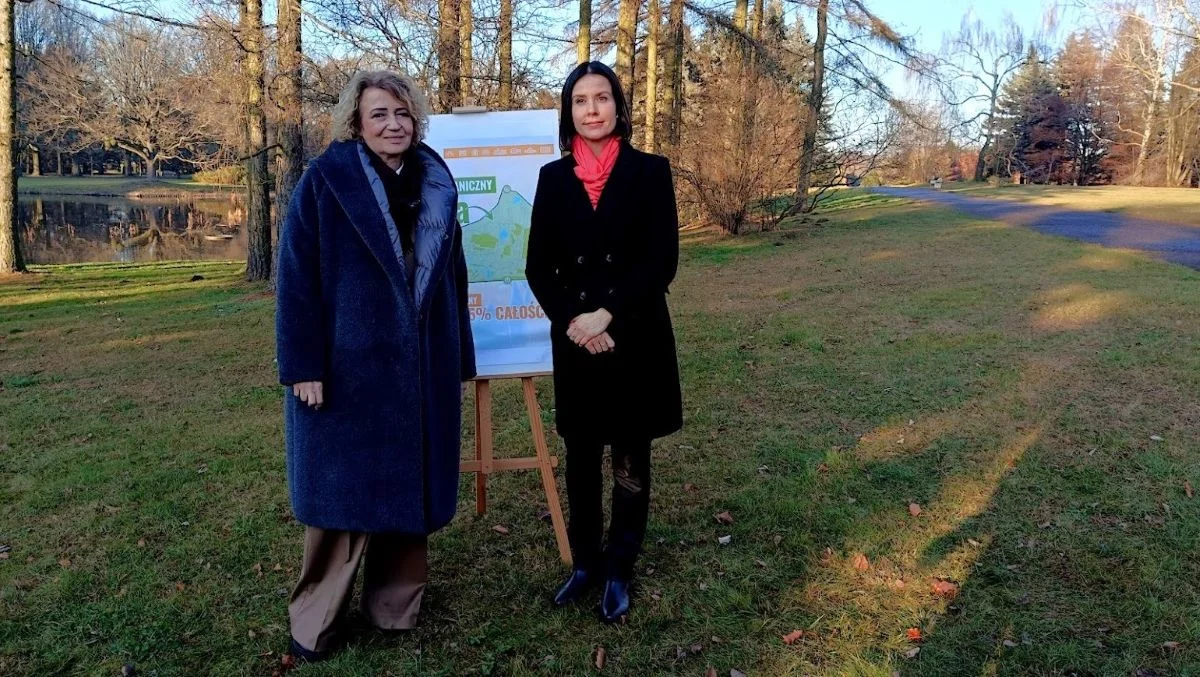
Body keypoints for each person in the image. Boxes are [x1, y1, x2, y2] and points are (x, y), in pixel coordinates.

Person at [275, 70, 475, 660]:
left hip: (421, 366)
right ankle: (315, 622)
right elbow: (296, 279)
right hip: (347, 369)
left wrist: (458, 358)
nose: (393, 124)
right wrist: (303, 365)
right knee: (340, 499)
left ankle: (395, 608)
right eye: (380, 114)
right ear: (356, 123)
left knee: (409, 488)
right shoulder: (324, 181)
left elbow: (454, 278)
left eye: (403, 113)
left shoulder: (435, 181)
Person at [525, 61, 683, 624]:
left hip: (633, 335)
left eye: (601, 98)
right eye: (580, 100)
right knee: (581, 454)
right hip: (576, 341)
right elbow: (539, 267)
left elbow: (661, 260)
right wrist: (577, 321)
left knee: (630, 454)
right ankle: (585, 563)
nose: (592, 109)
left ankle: (620, 567)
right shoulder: (552, 178)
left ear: (618, 105)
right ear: (568, 112)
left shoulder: (650, 171)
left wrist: (606, 315)